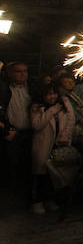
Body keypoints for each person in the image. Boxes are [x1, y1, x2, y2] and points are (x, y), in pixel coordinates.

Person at [30, 82, 75, 217]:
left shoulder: (62, 106)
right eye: (48, 94)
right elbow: (37, 125)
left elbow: (69, 121)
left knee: (53, 176)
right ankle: (37, 201)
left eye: (54, 93)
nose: (52, 97)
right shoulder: (37, 108)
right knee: (41, 175)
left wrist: (65, 136)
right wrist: (51, 110)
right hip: (43, 145)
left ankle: (49, 199)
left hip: (57, 144)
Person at [1, 61, 33, 201]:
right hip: (12, 133)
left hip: (30, 132)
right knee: (10, 164)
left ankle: (24, 194)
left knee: (28, 165)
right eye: (18, 71)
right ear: (9, 73)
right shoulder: (4, 89)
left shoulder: (32, 89)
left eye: (25, 71)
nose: (22, 74)